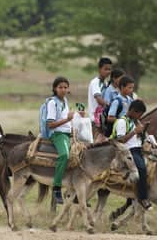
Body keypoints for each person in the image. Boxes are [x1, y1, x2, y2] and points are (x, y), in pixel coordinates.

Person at [47, 76, 84, 204]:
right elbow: (50, 124)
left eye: (65, 87)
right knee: (64, 155)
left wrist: (79, 116)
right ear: (55, 88)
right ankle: (56, 187)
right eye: (60, 87)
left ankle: (74, 190)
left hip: (67, 133)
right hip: (57, 134)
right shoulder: (53, 103)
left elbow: (67, 119)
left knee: (81, 155)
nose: (63, 89)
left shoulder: (65, 101)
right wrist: (67, 120)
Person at [110, 99, 152, 210]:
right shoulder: (122, 122)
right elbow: (121, 140)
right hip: (128, 151)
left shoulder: (133, 122)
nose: (140, 117)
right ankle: (143, 198)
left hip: (138, 149)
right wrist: (135, 131)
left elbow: (136, 138)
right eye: (139, 114)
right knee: (142, 168)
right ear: (133, 111)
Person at [88, 57, 112, 134]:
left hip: (103, 119)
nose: (108, 72)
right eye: (106, 69)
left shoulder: (105, 83)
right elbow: (99, 100)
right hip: (96, 119)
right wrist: (112, 106)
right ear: (99, 69)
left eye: (109, 69)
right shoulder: (95, 82)